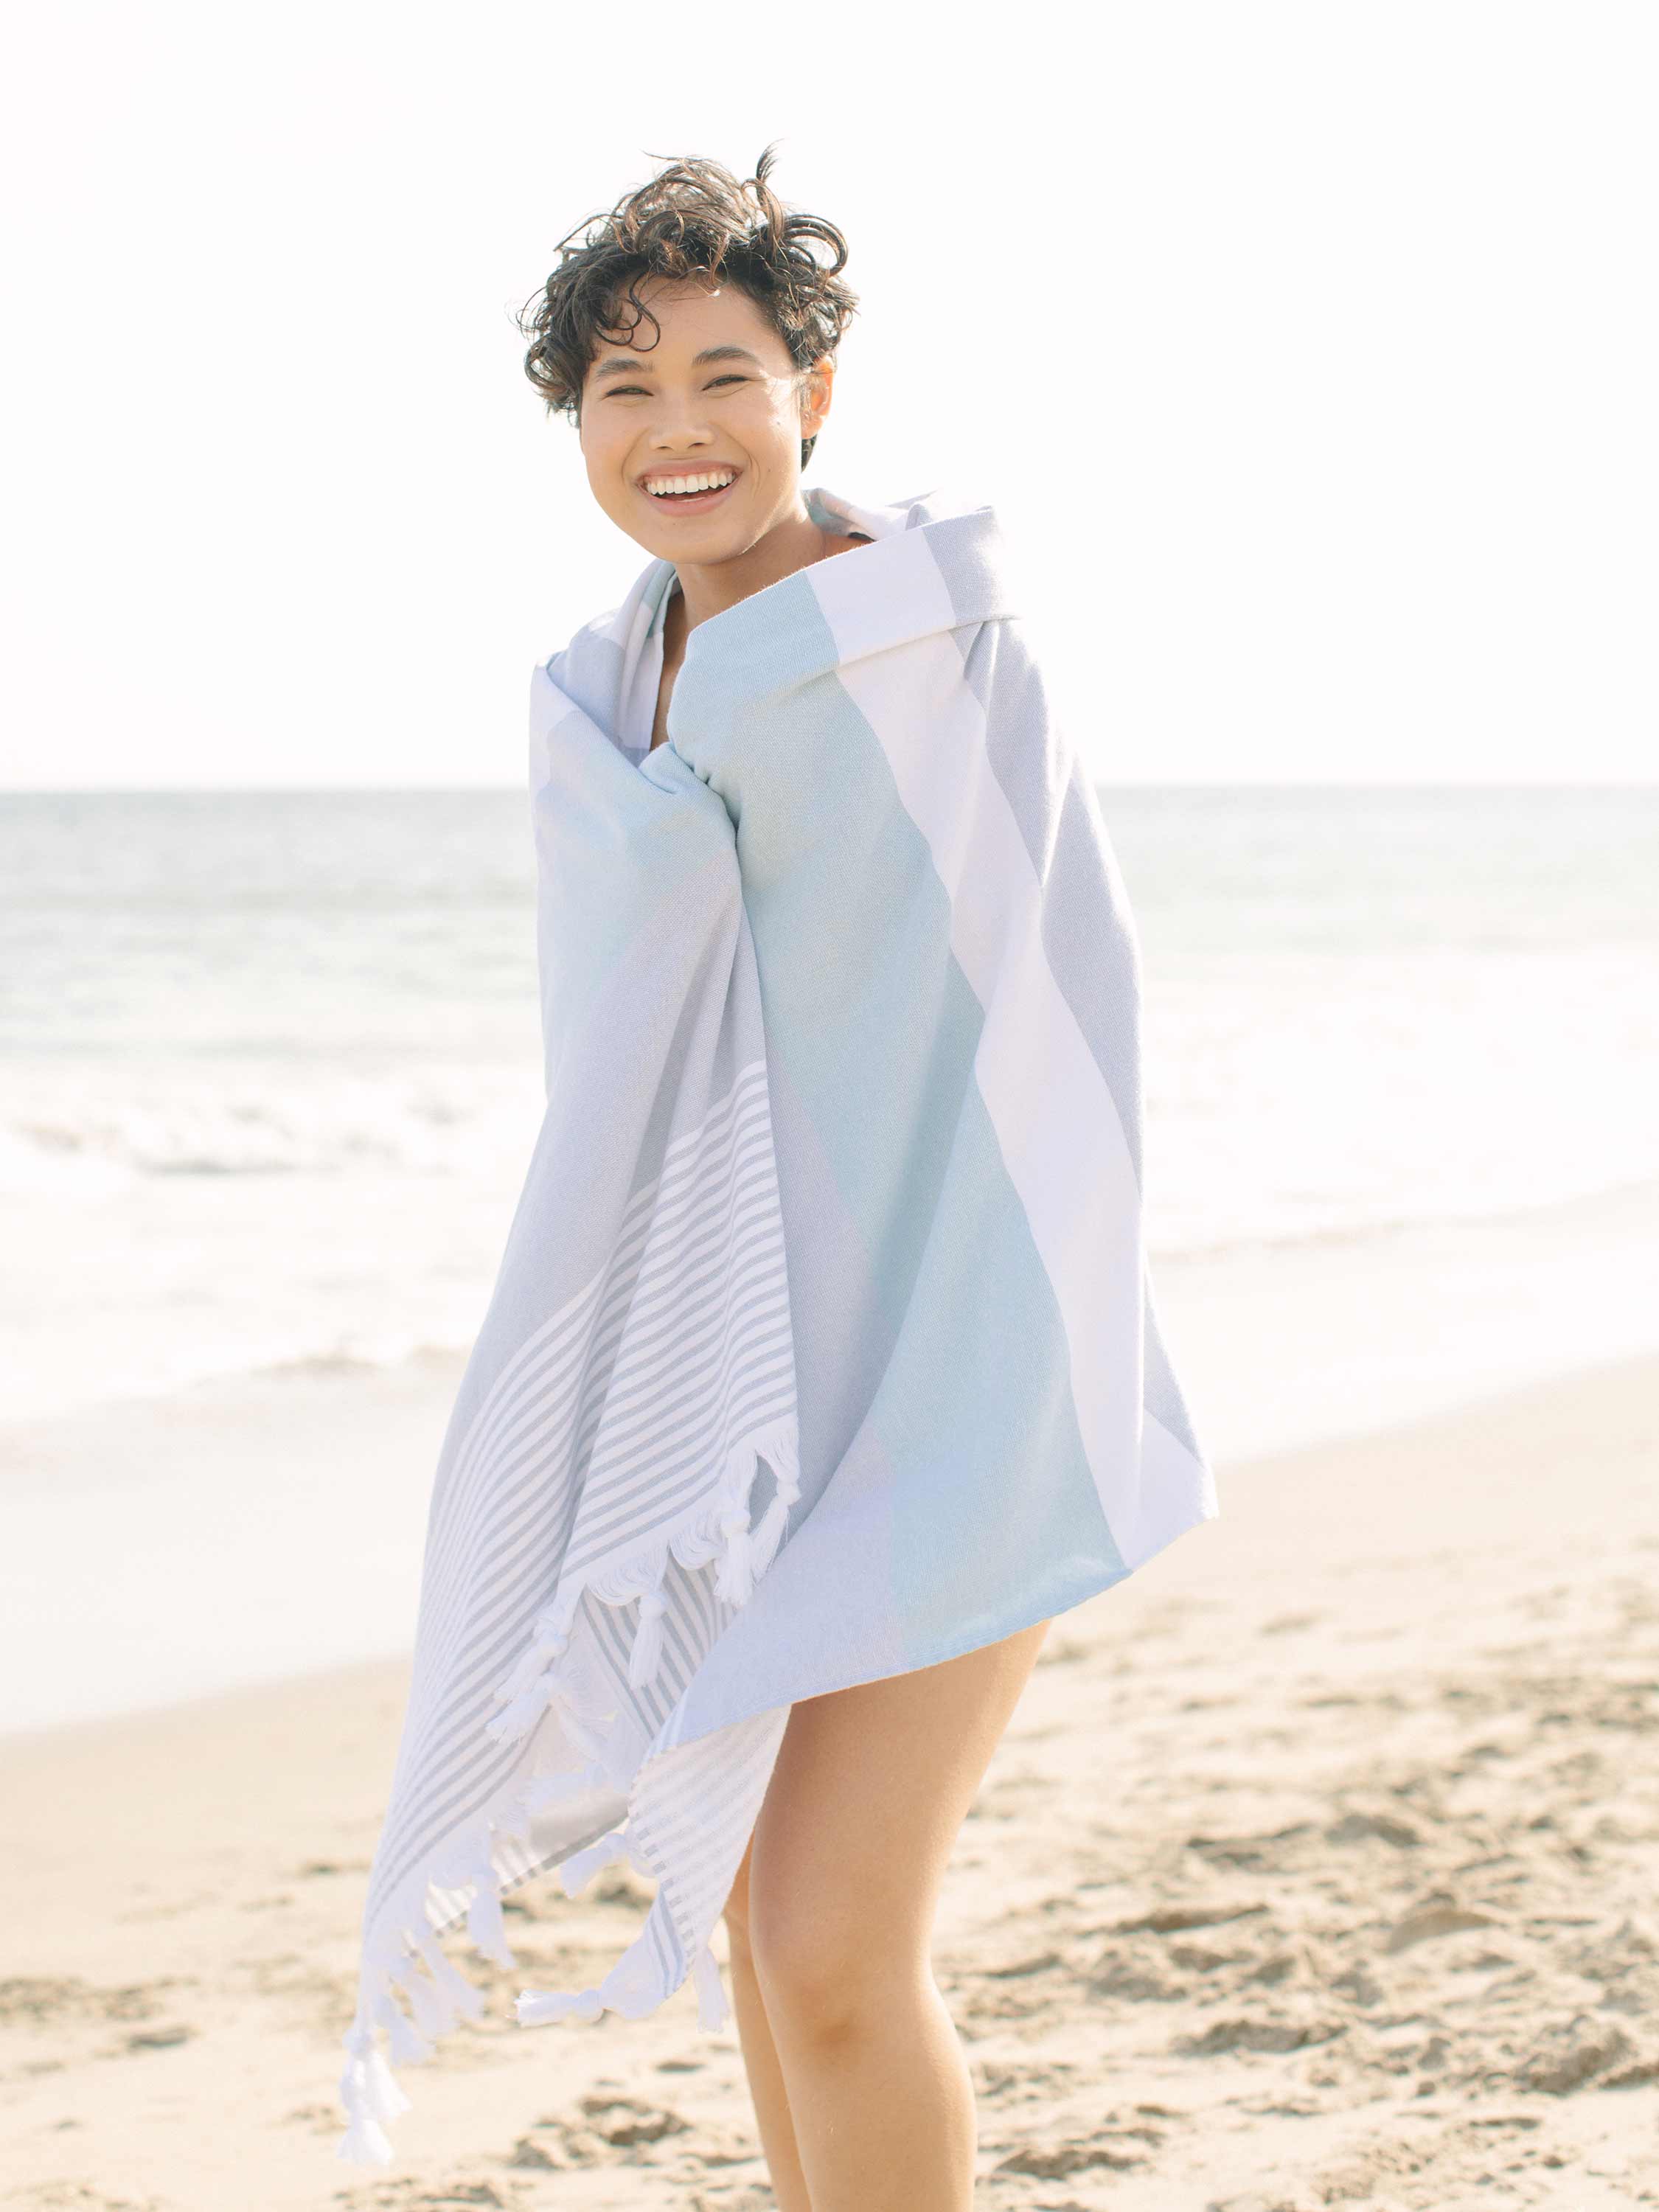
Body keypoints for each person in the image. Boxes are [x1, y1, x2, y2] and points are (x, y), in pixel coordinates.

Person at [515, 145, 1057, 2212]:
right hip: (739, 1386)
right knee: (755, 1931)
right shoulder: (608, 688)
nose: (678, 431)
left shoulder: (917, 641)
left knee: (835, 1944)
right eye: (624, 387)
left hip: (956, 1358)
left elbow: (1028, 1020)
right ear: (576, 423)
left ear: (813, 391)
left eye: (726, 375)